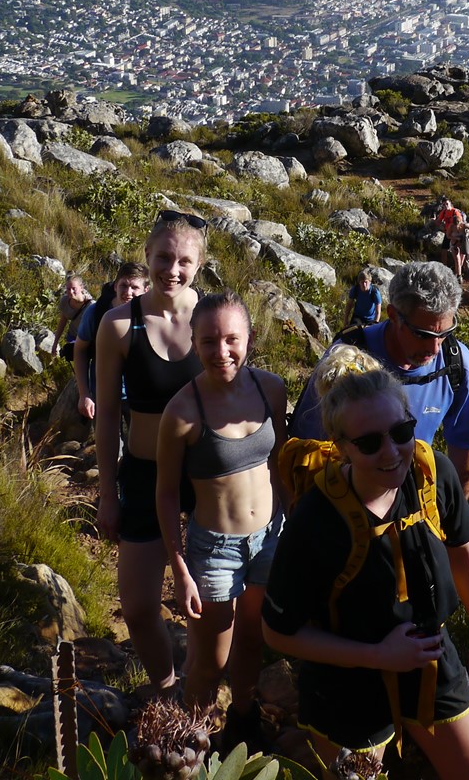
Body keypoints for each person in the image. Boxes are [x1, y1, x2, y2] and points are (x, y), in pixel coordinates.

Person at [263, 346, 469, 778]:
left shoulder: (433, 474)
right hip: (346, 686)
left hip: (432, 660)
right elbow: (279, 632)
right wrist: (378, 655)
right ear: (342, 448)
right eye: (370, 443)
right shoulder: (317, 519)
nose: (392, 452)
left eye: (402, 431)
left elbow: (462, 547)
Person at [158, 293, 288, 750]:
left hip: (271, 538)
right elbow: (167, 493)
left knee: (252, 639)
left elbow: (283, 463)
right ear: (194, 342)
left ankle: (243, 720)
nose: (222, 351)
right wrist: (179, 567)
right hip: (214, 548)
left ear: (249, 339)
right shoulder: (181, 411)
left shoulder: (271, 389)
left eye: (232, 339)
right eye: (209, 341)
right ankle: (185, 744)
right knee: (210, 659)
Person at [93, 214, 206, 696]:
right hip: (142, 474)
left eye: (184, 260)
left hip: (206, 478)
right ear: (147, 255)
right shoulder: (119, 325)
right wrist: (107, 493)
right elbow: (105, 416)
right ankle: (166, 687)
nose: (172, 269)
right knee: (138, 607)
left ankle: (203, 689)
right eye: (163, 258)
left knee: (210, 600)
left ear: (200, 264)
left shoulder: (214, 318)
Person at [292, 261, 469, 497]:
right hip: (343, 505)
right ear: (393, 315)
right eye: (423, 334)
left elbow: (465, 441)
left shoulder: (456, 363)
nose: (435, 348)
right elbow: (308, 446)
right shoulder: (346, 358)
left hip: (411, 509)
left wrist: (456, 515)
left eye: (444, 334)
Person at [74, 262, 150, 426]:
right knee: (108, 449)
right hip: (103, 395)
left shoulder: (150, 316)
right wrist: (84, 394)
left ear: (146, 290)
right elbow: (79, 350)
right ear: (115, 286)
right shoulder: (96, 313)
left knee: (141, 448)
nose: (128, 293)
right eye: (124, 285)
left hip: (139, 397)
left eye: (134, 287)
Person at [54, 275, 92, 359]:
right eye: (68, 289)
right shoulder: (65, 301)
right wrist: (55, 343)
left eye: (74, 288)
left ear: (81, 287)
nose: (71, 292)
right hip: (73, 338)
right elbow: (62, 322)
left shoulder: (91, 306)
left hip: (87, 341)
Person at [436, 198, 468, 277]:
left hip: (456, 234)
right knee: (444, 250)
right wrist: (438, 224)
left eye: (447, 203)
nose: (445, 205)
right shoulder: (443, 212)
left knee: (459, 254)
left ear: (450, 203)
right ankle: (445, 268)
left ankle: (460, 271)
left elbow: (460, 223)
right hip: (448, 234)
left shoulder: (455, 212)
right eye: (444, 204)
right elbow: (438, 221)